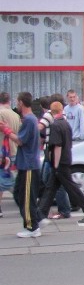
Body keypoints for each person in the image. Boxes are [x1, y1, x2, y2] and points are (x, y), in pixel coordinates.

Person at [37, 101, 84, 224]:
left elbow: (57, 147)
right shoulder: (65, 124)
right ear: (61, 110)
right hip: (65, 160)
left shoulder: (55, 125)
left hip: (59, 163)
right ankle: (40, 214)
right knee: (50, 188)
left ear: (51, 111)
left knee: (71, 188)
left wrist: (55, 164)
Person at [1, 92, 44, 237]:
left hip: (29, 165)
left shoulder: (29, 120)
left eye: (17, 102)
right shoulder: (29, 119)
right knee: (19, 194)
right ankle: (36, 218)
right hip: (25, 164)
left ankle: (32, 227)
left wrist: (6, 130)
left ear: (20, 103)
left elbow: (20, 140)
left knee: (26, 197)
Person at [0, 91, 21, 219]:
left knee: (3, 182)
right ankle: (24, 202)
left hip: (3, 153)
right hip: (14, 151)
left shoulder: (0, 114)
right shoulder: (15, 115)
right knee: (10, 180)